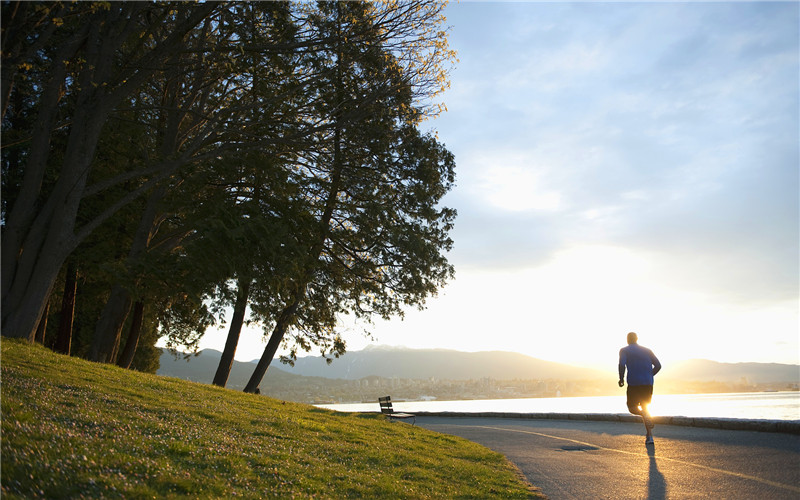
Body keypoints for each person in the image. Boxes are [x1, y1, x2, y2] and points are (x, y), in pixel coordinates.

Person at [618, 332, 661, 444]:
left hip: (634, 383)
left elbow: (622, 364)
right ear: (637, 339)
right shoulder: (647, 350)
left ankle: (644, 416)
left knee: (632, 407)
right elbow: (658, 365)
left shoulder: (624, 350)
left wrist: (621, 378)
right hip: (647, 383)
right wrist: (649, 375)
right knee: (645, 408)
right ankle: (650, 437)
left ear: (627, 340)